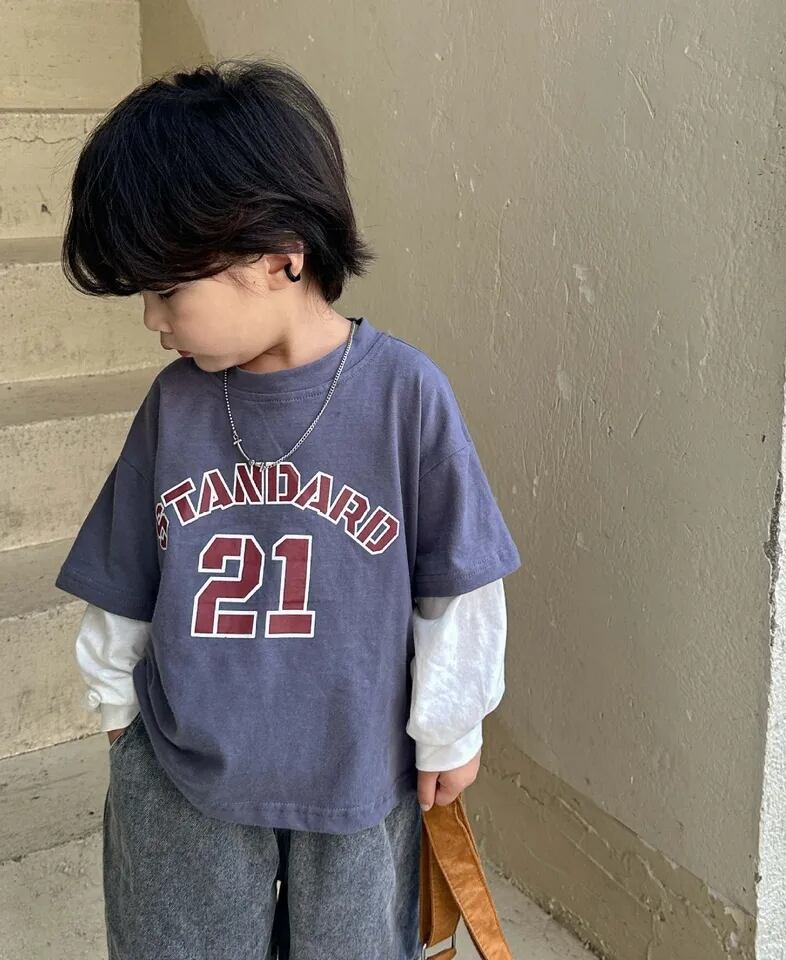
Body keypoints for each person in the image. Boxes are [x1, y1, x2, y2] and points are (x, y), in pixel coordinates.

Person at [53, 57, 521, 960]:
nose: (153, 320)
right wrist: (116, 707)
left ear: (280, 256)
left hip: (358, 778)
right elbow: (124, 573)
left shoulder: (404, 397)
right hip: (185, 777)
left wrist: (448, 729)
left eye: (167, 290)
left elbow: (455, 585)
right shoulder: (176, 405)